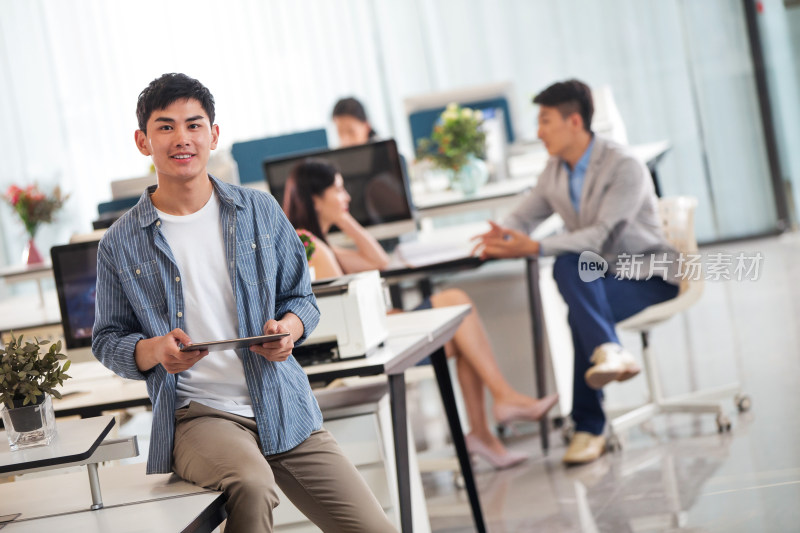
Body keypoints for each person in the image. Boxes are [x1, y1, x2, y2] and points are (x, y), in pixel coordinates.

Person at [91, 73, 397, 533]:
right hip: (197, 414)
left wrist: (287, 333)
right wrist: (155, 351)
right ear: (143, 140)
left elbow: (302, 299)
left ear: (213, 135)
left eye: (194, 125)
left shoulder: (259, 210)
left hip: (280, 400)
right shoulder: (120, 242)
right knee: (253, 485)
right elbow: (108, 339)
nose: (182, 139)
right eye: (166, 126)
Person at [283, 158, 559, 470]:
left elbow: (379, 263)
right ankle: (501, 403)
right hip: (372, 345)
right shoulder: (308, 244)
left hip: (379, 332)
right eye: (338, 190)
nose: (346, 197)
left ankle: (484, 431)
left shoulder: (320, 244)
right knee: (456, 305)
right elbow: (339, 312)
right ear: (315, 198)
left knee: (460, 323)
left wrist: (344, 220)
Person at [473, 79, 680, 466]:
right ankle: (608, 355)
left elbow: (603, 235)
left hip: (648, 275)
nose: (538, 132)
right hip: (599, 275)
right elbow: (526, 214)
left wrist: (533, 247)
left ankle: (589, 425)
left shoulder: (624, 165)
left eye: (545, 121)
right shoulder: (555, 170)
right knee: (572, 271)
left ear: (574, 122)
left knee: (577, 304)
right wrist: (503, 234)